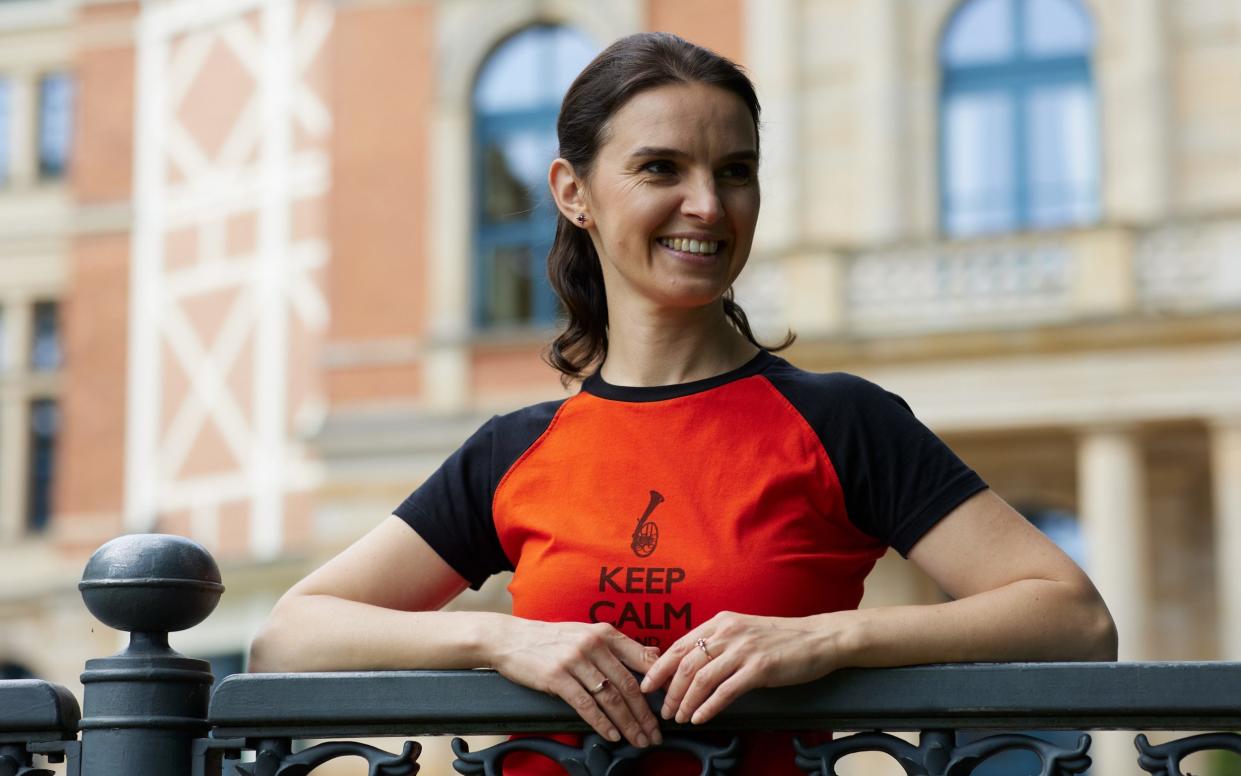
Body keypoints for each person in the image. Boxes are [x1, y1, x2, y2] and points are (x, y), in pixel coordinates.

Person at [249, 31, 1117, 775]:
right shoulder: (516, 448)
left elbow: (1072, 618)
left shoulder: (840, 423)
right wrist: (499, 640)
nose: (706, 204)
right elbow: (289, 638)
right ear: (572, 192)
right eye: (660, 167)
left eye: (733, 170)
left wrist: (824, 639)